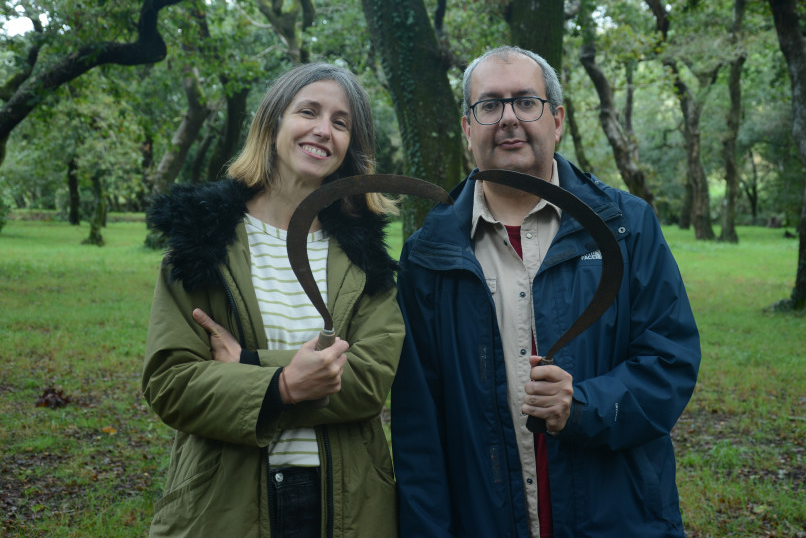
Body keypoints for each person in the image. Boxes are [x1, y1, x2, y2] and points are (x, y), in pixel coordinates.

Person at [391, 46, 701, 538]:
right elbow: (418, 425)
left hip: (618, 515)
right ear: (468, 128)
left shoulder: (625, 226)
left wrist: (582, 404)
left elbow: (671, 361)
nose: (509, 118)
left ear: (556, 120)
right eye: (489, 105)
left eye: (526, 102)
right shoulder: (429, 255)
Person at [142, 63, 403, 538]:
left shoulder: (367, 256)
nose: (323, 130)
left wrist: (248, 362)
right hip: (226, 501)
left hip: (347, 503)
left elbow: (370, 380)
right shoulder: (204, 238)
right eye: (309, 111)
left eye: (341, 123)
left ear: (351, 147)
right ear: (272, 122)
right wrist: (281, 387)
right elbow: (170, 381)